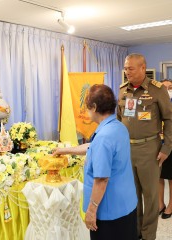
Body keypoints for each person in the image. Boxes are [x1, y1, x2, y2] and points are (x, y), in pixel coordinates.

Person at [53, 84, 138, 240]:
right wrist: (64, 151)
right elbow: (93, 147)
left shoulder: (104, 137)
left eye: (87, 107)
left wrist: (91, 211)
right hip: (126, 204)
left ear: (94, 107)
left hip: (109, 211)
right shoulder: (118, 127)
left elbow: (101, 179)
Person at [117, 53, 172, 240]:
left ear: (142, 67)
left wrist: (167, 148)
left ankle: (148, 235)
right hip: (127, 149)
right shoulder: (123, 90)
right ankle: (137, 231)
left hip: (150, 149)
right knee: (132, 194)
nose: (127, 72)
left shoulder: (157, 90)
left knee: (150, 196)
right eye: (125, 68)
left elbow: (169, 119)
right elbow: (119, 119)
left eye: (130, 68)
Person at [159, 79, 172, 219]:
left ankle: (171, 205)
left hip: (171, 143)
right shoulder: (154, 102)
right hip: (157, 143)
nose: (167, 90)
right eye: (165, 87)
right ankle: (160, 203)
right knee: (158, 175)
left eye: (170, 87)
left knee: (171, 177)